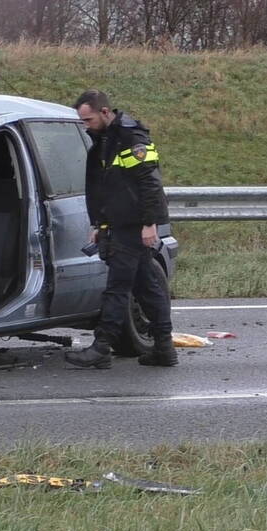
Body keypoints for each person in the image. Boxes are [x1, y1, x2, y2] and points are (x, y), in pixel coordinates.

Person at [64, 89, 177, 369]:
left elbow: (149, 182)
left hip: (132, 226)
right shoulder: (104, 139)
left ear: (105, 112)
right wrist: (98, 224)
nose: (85, 126)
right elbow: (105, 188)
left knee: (117, 288)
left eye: (88, 119)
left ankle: (102, 347)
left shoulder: (131, 138)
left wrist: (150, 224)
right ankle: (164, 348)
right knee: (148, 287)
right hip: (117, 223)